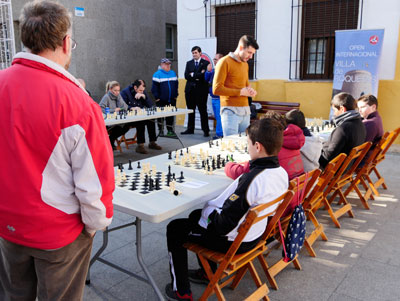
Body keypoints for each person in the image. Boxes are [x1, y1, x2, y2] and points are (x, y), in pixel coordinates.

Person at [0, 1, 114, 300]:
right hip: (58, 232)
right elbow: (95, 182)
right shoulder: (77, 102)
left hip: (8, 224)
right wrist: (95, 225)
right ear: (66, 42)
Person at [165, 118, 288, 300]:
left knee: (175, 228)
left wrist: (210, 214)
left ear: (258, 146)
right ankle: (207, 273)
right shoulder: (281, 173)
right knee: (195, 215)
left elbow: (222, 226)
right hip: (255, 235)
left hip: (234, 242)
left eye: (248, 143)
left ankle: (181, 291)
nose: (247, 147)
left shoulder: (251, 180)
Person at [225, 111, 305, 181]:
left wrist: (229, 165)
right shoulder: (292, 144)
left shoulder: (271, 149)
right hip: (296, 191)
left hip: (283, 194)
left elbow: (242, 172)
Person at [213, 35, 258, 137]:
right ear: (241, 47)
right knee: (230, 147)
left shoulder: (245, 64)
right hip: (230, 111)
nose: (251, 57)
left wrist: (250, 91)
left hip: (246, 111)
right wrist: (240, 92)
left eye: (253, 54)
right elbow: (216, 89)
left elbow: (245, 86)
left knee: (244, 146)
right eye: (249, 52)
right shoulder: (224, 62)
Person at [319, 92, 366, 168]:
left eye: (334, 110)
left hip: (334, 170)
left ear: (342, 109)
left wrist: (313, 154)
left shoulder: (343, 129)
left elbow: (327, 158)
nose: (334, 114)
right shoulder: (360, 123)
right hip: (347, 168)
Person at [121, 79, 162, 154]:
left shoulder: (142, 91)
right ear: (135, 88)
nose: (142, 92)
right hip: (130, 118)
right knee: (141, 121)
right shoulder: (125, 92)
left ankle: (152, 142)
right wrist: (131, 108)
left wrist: (144, 97)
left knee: (151, 119)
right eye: (140, 90)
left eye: (143, 90)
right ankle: (140, 145)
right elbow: (122, 106)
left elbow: (150, 105)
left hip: (140, 115)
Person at [181, 46, 210, 137]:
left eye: (196, 53)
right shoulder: (189, 63)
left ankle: (206, 130)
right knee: (190, 110)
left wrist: (193, 74)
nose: (194, 54)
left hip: (201, 91)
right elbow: (186, 76)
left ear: (200, 53)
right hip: (190, 91)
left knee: (202, 111)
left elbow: (203, 75)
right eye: (193, 53)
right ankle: (190, 129)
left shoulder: (206, 63)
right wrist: (197, 74)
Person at [151, 58, 179, 137]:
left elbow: (176, 85)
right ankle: (161, 130)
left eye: (169, 64)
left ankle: (170, 130)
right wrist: (157, 98)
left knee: (170, 115)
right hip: (161, 100)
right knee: (160, 116)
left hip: (172, 99)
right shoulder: (157, 74)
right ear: (162, 65)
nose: (168, 66)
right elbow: (154, 88)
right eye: (166, 64)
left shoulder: (173, 73)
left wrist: (175, 95)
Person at [99, 81, 130, 150]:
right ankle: (110, 141)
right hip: (110, 121)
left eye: (118, 90)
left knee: (126, 126)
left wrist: (119, 98)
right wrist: (113, 110)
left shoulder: (118, 96)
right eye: (115, 90)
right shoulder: (106, 97)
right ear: (110, 89)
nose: (117, 92)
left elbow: (125, 107)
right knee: (118, 128)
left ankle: (111, 139)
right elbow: (100, 108)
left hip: (119, 119)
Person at [205, 53, 224, 139]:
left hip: (220, 98)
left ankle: (219, 134)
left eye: (216, 59)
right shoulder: (214, 69)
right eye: (214, 59)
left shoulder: (222, 69)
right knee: (217, 116)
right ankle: (220, 133)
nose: (214, 61)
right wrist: (208, 71)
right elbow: (206, 79)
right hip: (213, 97)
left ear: (221, 59)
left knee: (219, 116)